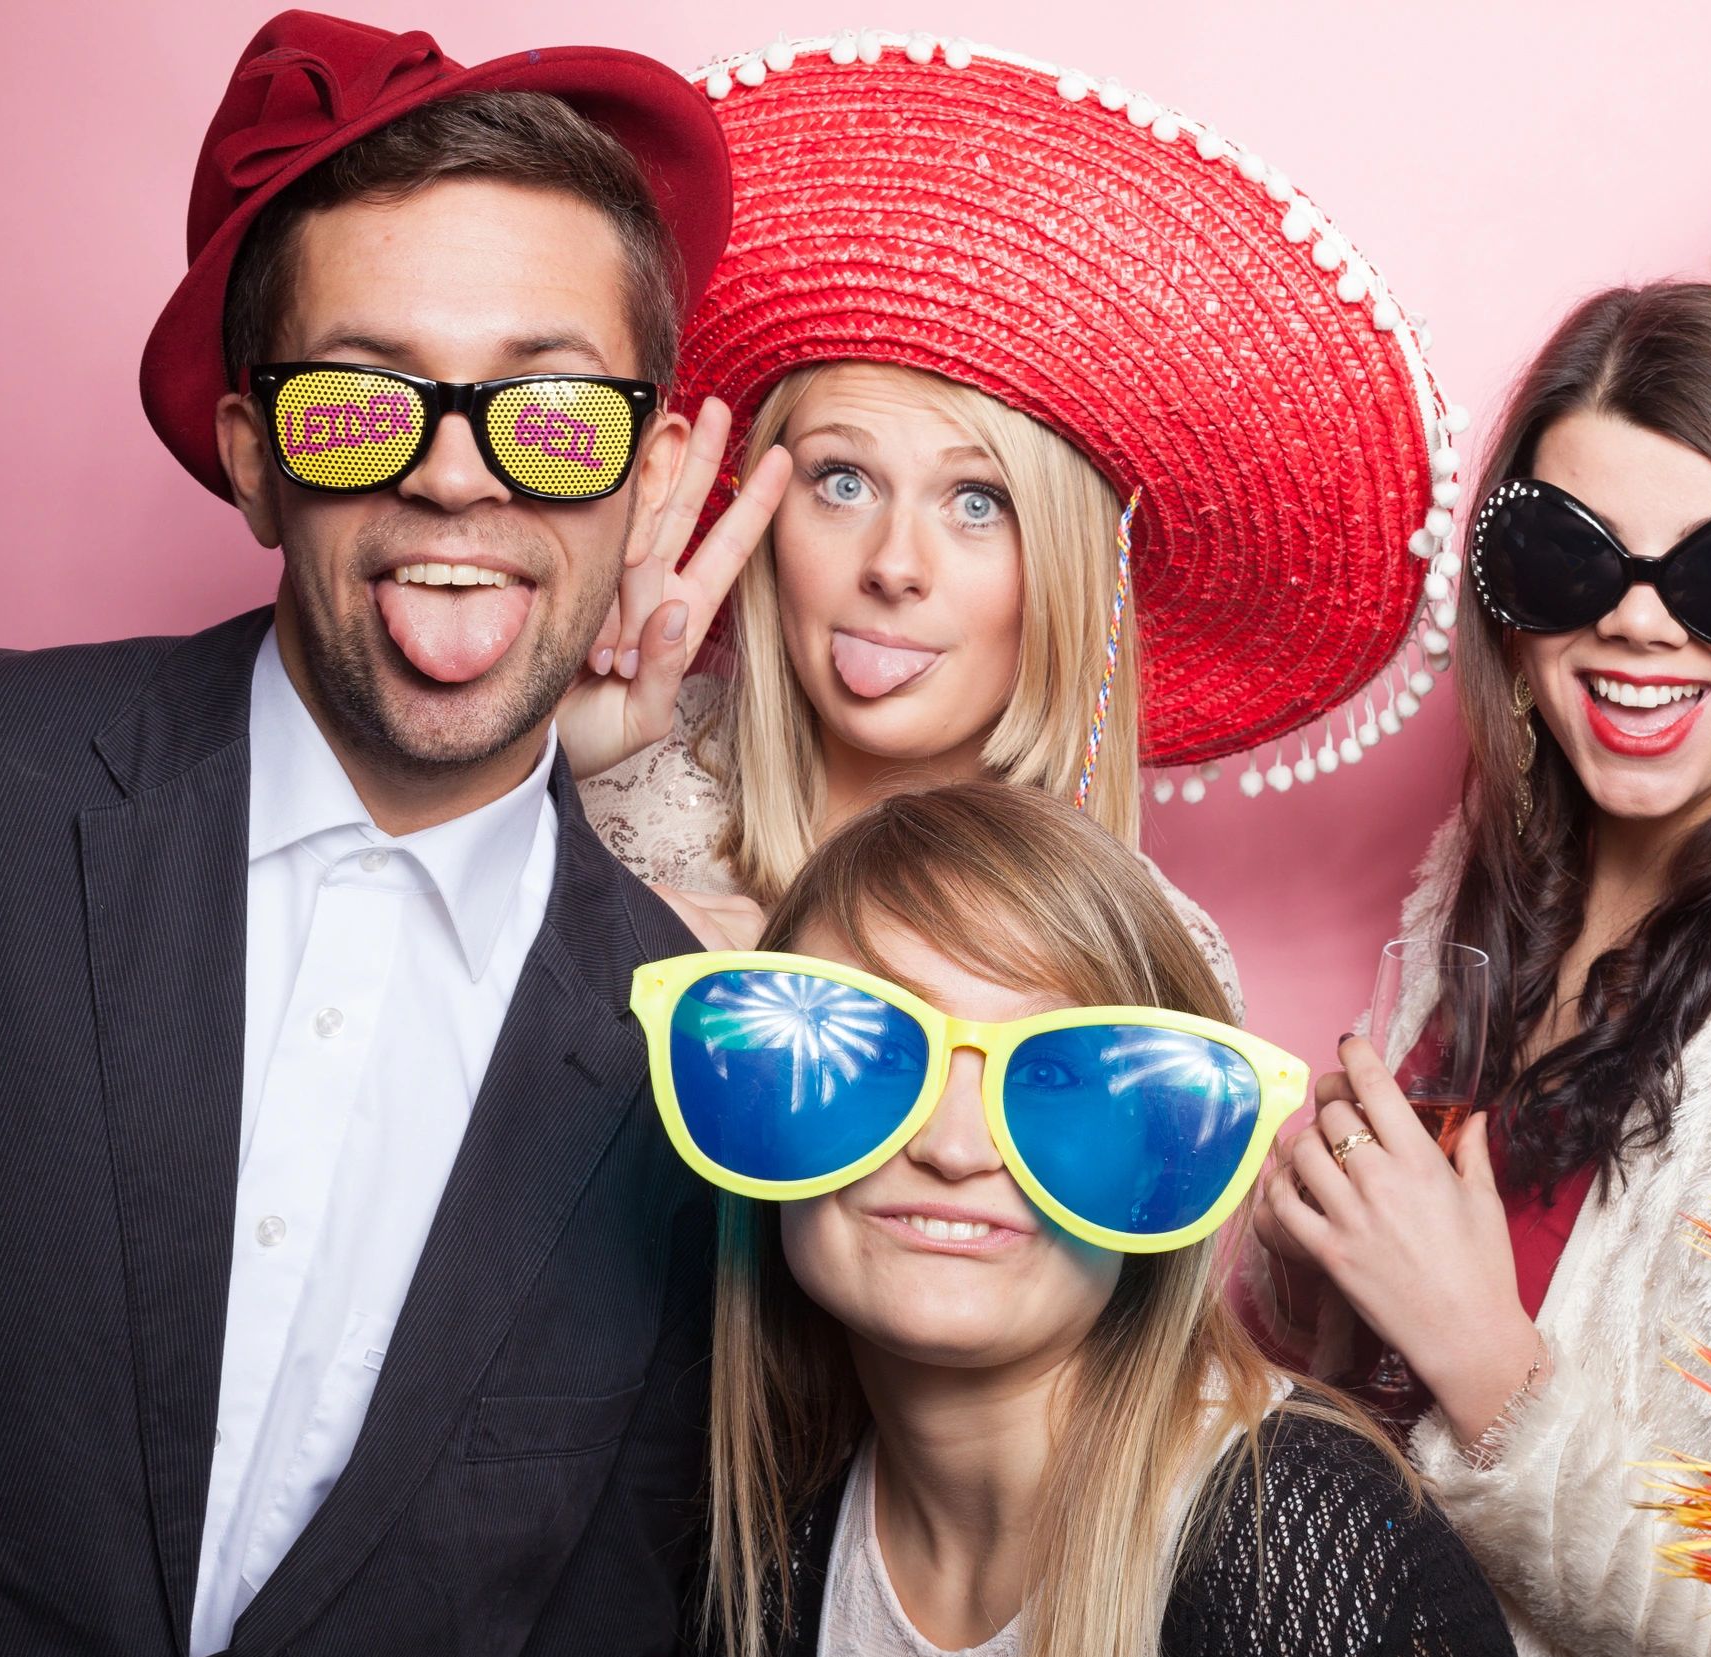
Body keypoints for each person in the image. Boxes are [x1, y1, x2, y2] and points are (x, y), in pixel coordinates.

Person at [0, 13, 780, 1657]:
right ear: (254, 456)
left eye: (550, 413)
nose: (452, 470)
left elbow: (629, 1647)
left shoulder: (687, 1052)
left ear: (646, 486)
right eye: (362, 401)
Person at [1240, 282, 1711, 1657]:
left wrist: (1482, 1359)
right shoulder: (1480, 882)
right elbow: (1343, 1367)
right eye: (1571, 560)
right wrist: (1312, 1258)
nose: (1636, 623)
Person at [575, 28, 1468, 988]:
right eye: (843, 481)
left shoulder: (1153, 960)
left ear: (1070, 568)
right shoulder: (589, 787)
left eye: (976, 501)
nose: (894, 563)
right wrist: (532, 804)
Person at [643, 780, 1524, 1657]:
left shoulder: (1313, 1559)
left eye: (1055, 1073)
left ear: (1160, 1151)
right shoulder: (762, 1547)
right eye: (876, 1049)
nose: (951, 1146)